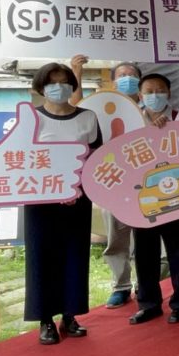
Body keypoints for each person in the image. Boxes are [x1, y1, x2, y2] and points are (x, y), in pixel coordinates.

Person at [0, 63, 102, 344]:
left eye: (64, 82)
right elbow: (8, 158)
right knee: (41, 258)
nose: (59, 88)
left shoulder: (88, 118)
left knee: (75, 257)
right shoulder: (30, 118)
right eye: (52, 83)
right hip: (40, 204)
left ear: (72, 85)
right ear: (41, 88)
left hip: (76, 202)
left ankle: (70, 315)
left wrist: (80, 188)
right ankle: (45, 320)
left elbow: (97, 159)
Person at [69, 55, 141, 309]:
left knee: (145, 238)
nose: (127, 79)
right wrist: (76, 73)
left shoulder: (147, 107)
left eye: (132, 75)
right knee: (116, 236)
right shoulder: (101, 106)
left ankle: (146, 284)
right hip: (113, 180)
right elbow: (75, 109)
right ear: (113, 81)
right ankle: (121, 286)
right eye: (122, 75)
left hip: (144, 181)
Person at [129, 74, 179, 325]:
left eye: (159, 90)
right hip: (142, 196)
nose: (154, 95)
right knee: (145, 252)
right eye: (149, 91)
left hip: (174, 195)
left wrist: (168, 130)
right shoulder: (131, 119)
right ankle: (149, 303)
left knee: (177, 251)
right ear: (140, 95)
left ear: (169, 93)